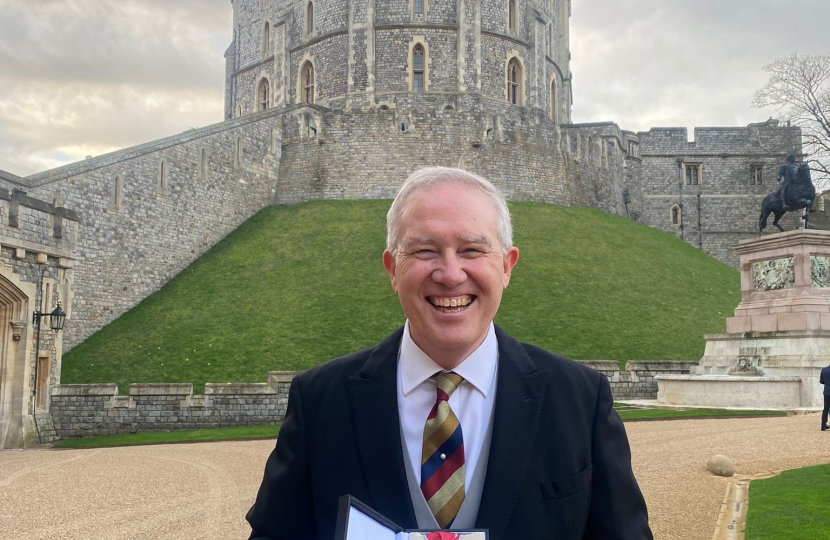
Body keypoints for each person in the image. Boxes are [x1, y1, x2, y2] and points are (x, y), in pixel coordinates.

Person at [247, 167, 653, 539]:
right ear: (391, 268)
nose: (451, 274)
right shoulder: (320, 401)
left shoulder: (580, 401)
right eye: (424, 251)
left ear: (507, 266)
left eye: (473, 250)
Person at [821, 363, 830, 431]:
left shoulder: (824, 370)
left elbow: (822, 381)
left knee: (826, 409)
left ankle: (823, 425)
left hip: (827, 391)